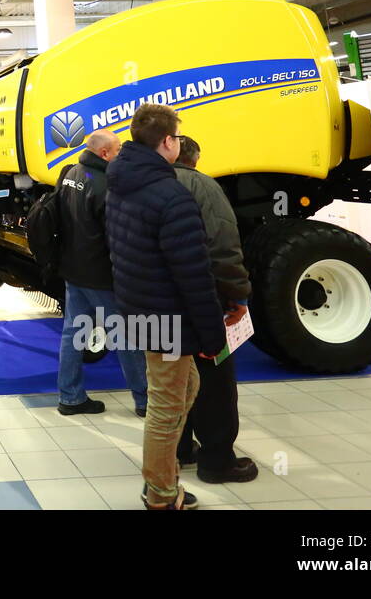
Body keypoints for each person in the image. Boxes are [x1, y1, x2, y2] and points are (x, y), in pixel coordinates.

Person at [106, 103, 226, 510]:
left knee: (184, 387)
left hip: (140, 307)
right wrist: (213, 335)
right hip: (167, 318)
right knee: (166, 405)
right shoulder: (170, 195)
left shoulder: (120, 182)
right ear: (168, 142)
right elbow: (193, 274)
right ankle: (160, 492)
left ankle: (162, 477)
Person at [172, 136, 258, 483]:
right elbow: (223, 244)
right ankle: (217, 460)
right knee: (215, 382)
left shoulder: (142, 186)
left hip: (156, 305)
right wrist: (238, 295)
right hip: (204, 303)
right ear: (195, 159)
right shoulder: (204, 187)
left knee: (173, 382)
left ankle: (179, 449)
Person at [54, 130, 148, 417]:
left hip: (73, 269)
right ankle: (145, 400)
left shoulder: (71, 174)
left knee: (73, 332)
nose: (121, 154)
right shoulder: (106, 185)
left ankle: (70, 397)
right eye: (118, 150)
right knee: (124, 337)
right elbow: (114, 237)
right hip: (99, 275)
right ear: (105, 153)